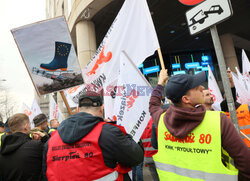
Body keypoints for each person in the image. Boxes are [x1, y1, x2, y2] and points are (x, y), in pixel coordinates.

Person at [149, 70, 250, 181]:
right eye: (196, 88)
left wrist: (160, 83)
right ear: (186, 99)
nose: (202, 87)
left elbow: (153, 105)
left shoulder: (161, 119)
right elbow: (246, 161)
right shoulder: (218, 120)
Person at [43, 91, 144, 181]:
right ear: (101, 109)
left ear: (78, 109)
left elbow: (45, 174)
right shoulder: (108, 132)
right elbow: (136, 157)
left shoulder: (51, 141)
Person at [0, 113, 48, 181]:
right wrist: (45, 139)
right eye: (29, 124)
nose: (30, 127)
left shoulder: (2, 150)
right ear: (25, 126)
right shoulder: (36, 146)